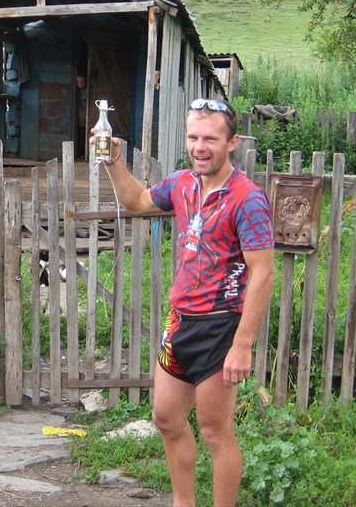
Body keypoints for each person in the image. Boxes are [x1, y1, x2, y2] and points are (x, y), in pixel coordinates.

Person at [94, 98, 274, 507]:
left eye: (210, 138)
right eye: (193, 137)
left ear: (233, 142)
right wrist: (114, 163)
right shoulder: (181, 183)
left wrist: (243, 344)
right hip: (181, 324)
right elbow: (138, 202)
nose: (200, 146)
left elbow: (262, 273)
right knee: (167, 419)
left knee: (215, 432)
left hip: (219, 327)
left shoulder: (247, 198)